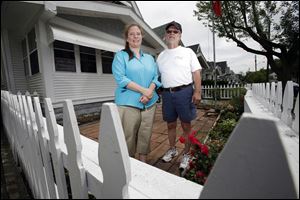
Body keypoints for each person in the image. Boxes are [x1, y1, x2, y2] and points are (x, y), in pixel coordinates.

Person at [112, 23, 161, 163]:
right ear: (127, 38)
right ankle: (129, 165)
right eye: (132, 34)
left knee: (145, 135)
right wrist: (143, 91)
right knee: (128, 137)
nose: (135, 36)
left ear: (142, 36)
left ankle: (143, 164)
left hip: (149, 103)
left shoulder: (149, 58)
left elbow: (156, 77)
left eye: (138, 33)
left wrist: (149, 92)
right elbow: (121, 78)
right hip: (128, 104)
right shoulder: (121, 56)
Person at [157, 21, 202, 170]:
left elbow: (196, 72)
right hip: (167, 94)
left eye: (175, 32)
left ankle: (187, 154)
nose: (172, 33)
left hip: (184, 92)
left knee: (185, 125)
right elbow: (156, 77)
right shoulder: (161, 56)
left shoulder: (188, 52)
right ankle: (172, 149)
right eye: (169, 31)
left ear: (180, 35)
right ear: (165, 35)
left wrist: (197, 91)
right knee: (170, 124)